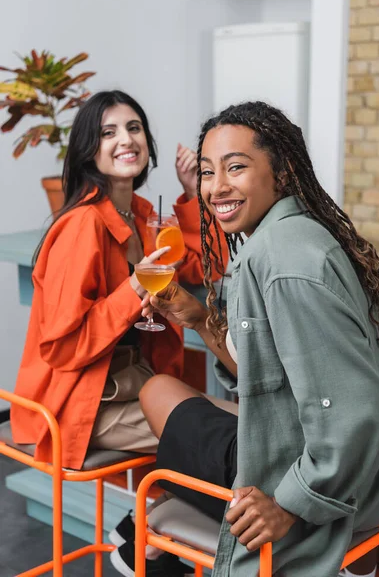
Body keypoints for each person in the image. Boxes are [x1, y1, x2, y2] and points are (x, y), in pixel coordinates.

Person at [137, 101, 379, 577]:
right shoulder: (289, 237)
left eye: (236, 167)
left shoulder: (283, 261)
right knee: (162, 393)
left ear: (282, 173)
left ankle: (146, 533)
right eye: (208, 172)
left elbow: (350, 407)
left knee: (155, 392)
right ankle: (147, 531)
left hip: (313, 480)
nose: (217, 187)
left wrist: (291, 505)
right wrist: (197, 318)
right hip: (343, 463)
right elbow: (270, 375)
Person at [10, 90, 229, 577]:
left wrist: (194, 194)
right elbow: (62, 346)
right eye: (108, 132)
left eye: (133, 128)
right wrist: (133, 289)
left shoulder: (143, 215)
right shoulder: (81, 225)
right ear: (89, 150)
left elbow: (202, 268)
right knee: (219, 438)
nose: (125, 139)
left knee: (225, 427)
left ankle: (141, 530)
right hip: (82, 402)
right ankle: (148, 543)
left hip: (134, 385)